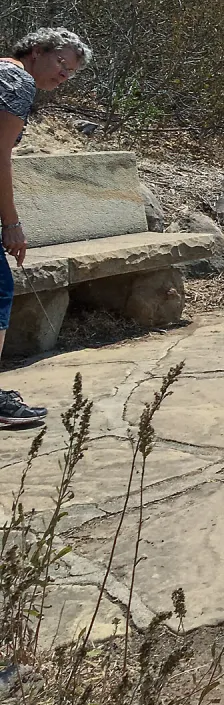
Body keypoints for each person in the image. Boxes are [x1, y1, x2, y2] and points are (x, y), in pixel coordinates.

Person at [0, 28, 93, 427]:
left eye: (71, 72)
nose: (63, 75)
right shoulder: (16, 80)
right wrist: (12, 223)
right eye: (61, 63)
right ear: (37, 51)